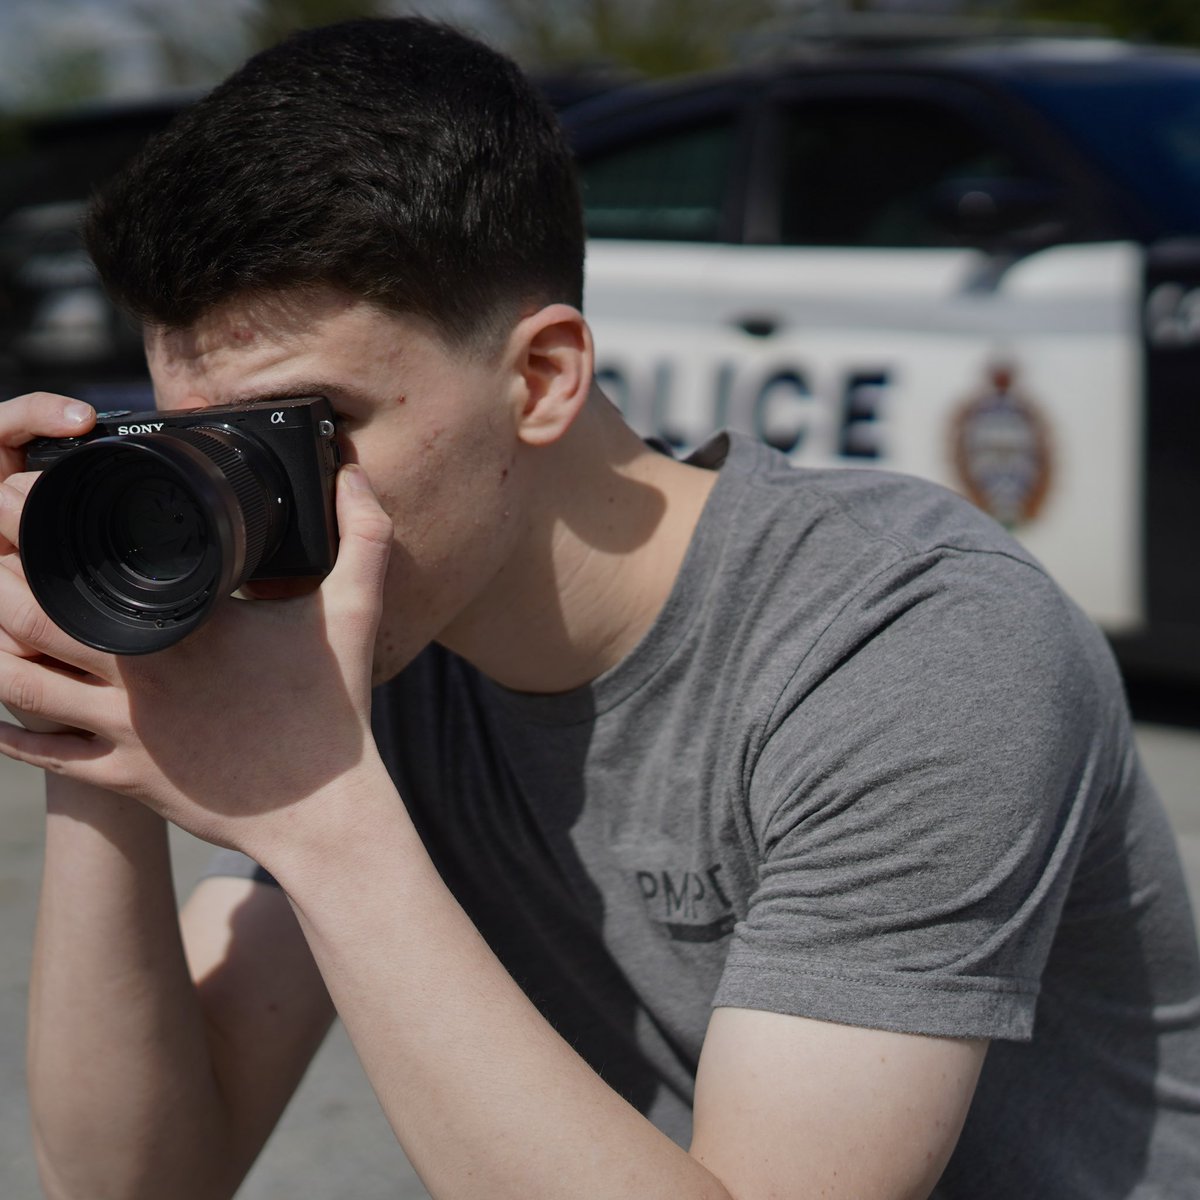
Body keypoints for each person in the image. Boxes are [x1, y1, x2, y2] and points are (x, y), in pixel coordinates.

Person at [1, 17, 1198, 1200]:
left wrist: (324, 815)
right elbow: (134, 1180)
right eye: (205, 441)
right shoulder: (378, 633)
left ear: (541, 378)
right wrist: (85, 687)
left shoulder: (911, 642)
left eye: (304, 433)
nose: (267, 504)